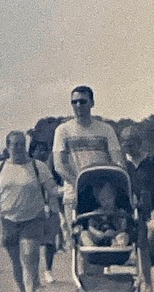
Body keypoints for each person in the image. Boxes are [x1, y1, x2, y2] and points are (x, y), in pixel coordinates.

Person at [0, 131, 58, 292]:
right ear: (7, 147)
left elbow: (52, 188)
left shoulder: (37, 166)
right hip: (8, 220)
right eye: (15, 144)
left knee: (30, 256)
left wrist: (64, 193)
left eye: (22, 144)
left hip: (33, 218)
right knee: (16, 262)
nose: (18, 148)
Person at [53, 86, 125, 225]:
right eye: (74, 102)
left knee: (108, 229)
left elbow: (117, 160)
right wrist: (80, 183)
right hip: (75, 192)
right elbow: (59, 165)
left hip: (103, 193)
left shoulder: (106, 129)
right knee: (76, 232)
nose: (78, 105)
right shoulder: (63, 131)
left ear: (92, 103)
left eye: (82, 101)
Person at [121, 126, 154, 267]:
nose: (128, 149)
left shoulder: (151, 160)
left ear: (138, 144)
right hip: (137, 207)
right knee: (133, 232)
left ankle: (149, 257)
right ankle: (142, 258)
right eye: (126, 146)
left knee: (153, 228)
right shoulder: (125, 165)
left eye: (131, 146)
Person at [29, 139, 64, 284]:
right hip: (34, 210)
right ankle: (33, 273)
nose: (42, 152)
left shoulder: (52, 167)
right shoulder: (29, 169)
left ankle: (48, 270)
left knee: (50, 242)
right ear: (32, 152)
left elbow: (57, 186)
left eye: (44, 149)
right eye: (38, 149)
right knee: (33, 244)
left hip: (52, 207)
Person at [79, 181, 132, 248]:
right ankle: (91, 246)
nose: (106, 202)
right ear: (98, 201)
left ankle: (118, 246)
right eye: (102, 200)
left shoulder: (120, 212)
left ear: (114, 196)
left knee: (123, 235)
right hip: (98, 237)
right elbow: (90, 226)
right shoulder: (95, 213)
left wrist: (115, 232)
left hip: (115, 237)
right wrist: (96, 232)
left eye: (109, 198)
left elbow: (123, 227)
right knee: (84, 234)